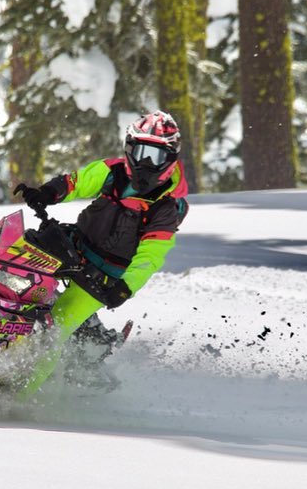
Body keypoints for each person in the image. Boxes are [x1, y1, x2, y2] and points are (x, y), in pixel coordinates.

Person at [13, 110, 189, 397]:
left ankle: (13, 397)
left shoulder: (166, 207)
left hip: (102, 277)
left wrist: (125, 287)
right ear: (129, 149)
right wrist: (47, 193)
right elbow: (77, 181)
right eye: (141, 152)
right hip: (73, 245)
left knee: (53, 330)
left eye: (155, 156)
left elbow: (151, 255)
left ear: (169, 159)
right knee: (8, 263)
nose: (145, 163)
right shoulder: (114, 171)